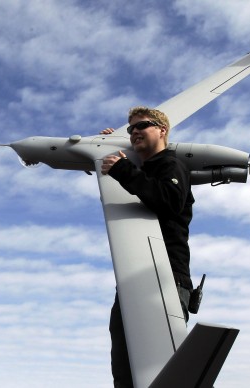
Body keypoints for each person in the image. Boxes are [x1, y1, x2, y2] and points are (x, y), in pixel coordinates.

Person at [100, 106, 195, 388]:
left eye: (142, 126)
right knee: (126, 366)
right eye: (130, 129)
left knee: (157, 367)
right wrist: (110, 147)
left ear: (162, 131)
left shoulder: (171, 165)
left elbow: (168, 199)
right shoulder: (142, 169)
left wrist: (124, 169)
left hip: (164, 276)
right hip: (138, 277)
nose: (134, 132)